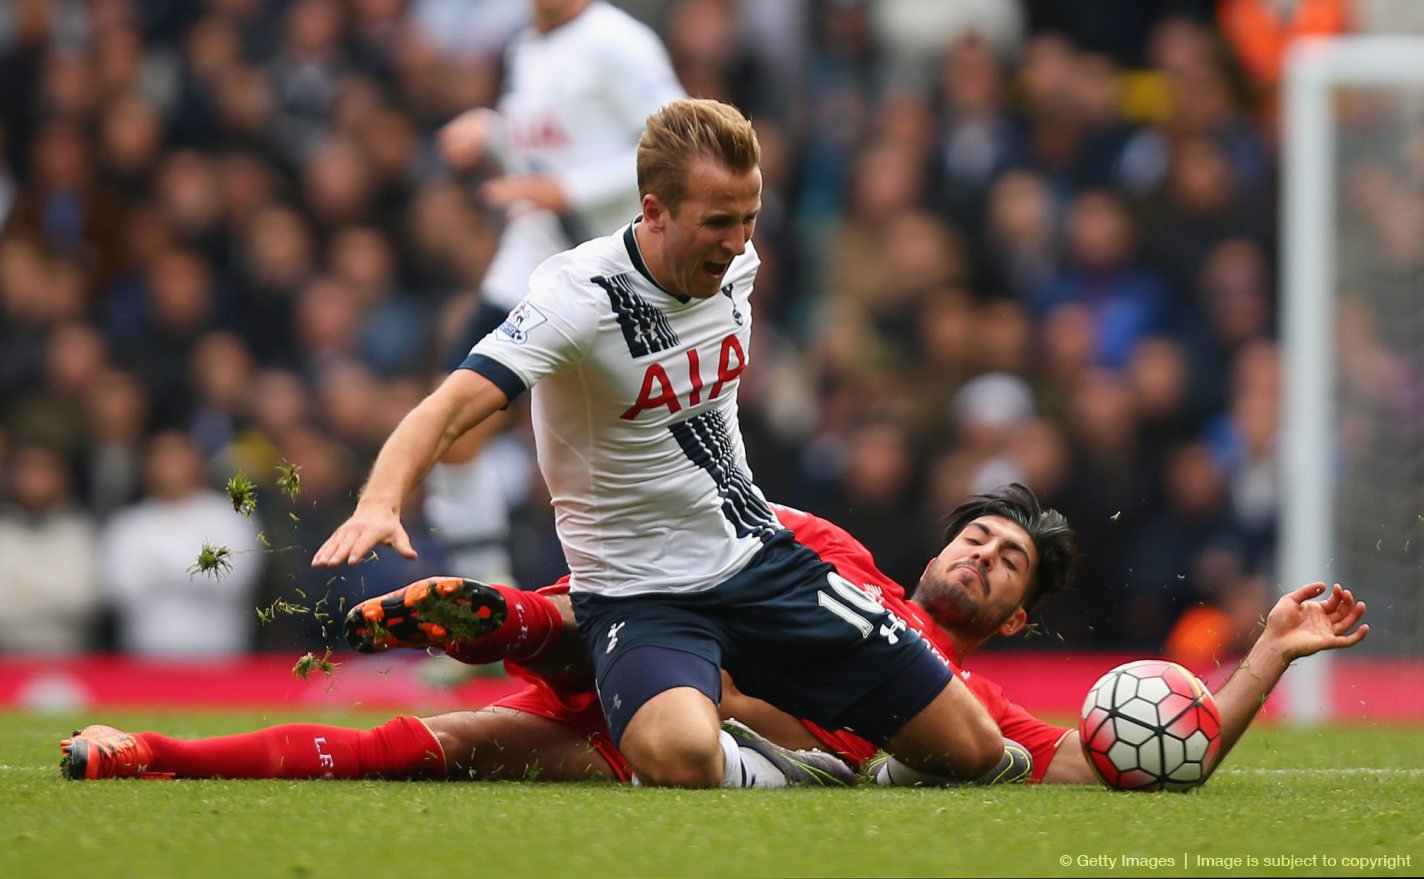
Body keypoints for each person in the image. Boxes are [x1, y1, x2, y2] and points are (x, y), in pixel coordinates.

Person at [310, 95, 1010, 790]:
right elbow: (448, 406)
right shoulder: (575, 298)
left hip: (759, 561)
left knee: (973, 750)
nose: (738, 242)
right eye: (717, 223)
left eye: (749, 218)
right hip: (638, 593)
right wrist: (381, 499)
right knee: (676, 756)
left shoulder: (735, 259)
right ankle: (780, 773)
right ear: (653, 211)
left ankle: (865, 770)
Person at [61, 484, 1369, 786]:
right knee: (615, 630)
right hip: (660, 660)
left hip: (703, 733)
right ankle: (150, 752)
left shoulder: (961, 697)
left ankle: (153, 752)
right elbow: (672, 546)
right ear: (934, 539)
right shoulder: (829, 551)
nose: (979, 548)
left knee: (422, 747)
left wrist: (1262, 653)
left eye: (1006, 557)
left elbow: (1115, 761)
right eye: (975, 530)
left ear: (1017, 610)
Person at [423, 0, 686, 585]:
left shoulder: (620, 42)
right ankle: (482, 610)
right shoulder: (525, 50)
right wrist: (491, 130)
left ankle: (684, 604)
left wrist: (564, 189)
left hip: (618, 271)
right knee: (455, 419)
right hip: (535, 257)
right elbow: (542, 149)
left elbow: (679, 143)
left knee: (643, 456)